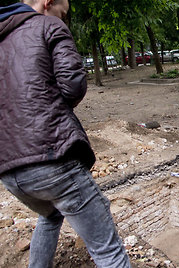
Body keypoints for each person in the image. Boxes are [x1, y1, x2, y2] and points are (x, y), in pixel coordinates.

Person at [0, 1, 131, 267]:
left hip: (8, 171)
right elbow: (72, 86)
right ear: (48, 2)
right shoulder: (48, 25)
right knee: (108, 252)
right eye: (64, 11)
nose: (64, 17)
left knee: (50, 216)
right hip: (51, 158)